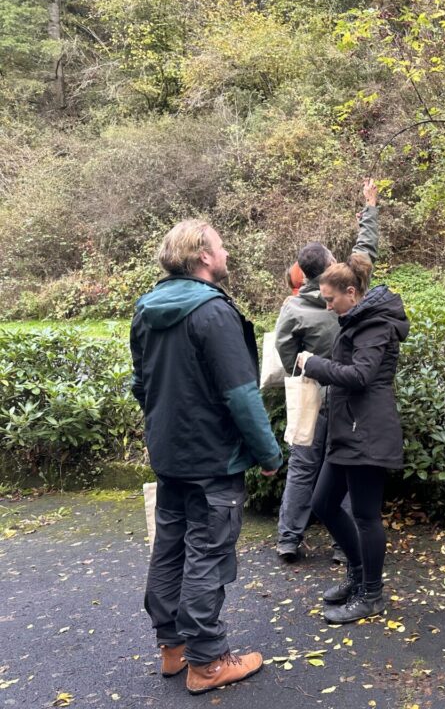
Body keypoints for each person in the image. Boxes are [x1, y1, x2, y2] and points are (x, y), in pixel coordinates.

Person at [130, 220, 283, 695]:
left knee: (170, 546)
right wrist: (268, 452)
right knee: (208, 554)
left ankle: (172, 648)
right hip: (213, 459)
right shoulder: (212, 312)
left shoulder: (145, 310)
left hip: (169, 454)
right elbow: (240, 394)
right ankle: (208, 662)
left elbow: (141, 385)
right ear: (202, 257)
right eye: (221, 246)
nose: (227, 252)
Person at [299, 254, 410, 623]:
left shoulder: (375, 325)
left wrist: (314, 365)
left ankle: (372, 595)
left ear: (351, 292)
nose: (328, 306)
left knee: (365, 516)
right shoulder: (356, 320)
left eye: (330, 299)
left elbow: (361, 375)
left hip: (368, 432)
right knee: (323, 503)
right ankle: (359, 575)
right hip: (348, 429)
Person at [273, 178, 380, 562]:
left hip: (313, 391)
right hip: (349, 393)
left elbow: (284, 347)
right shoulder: (351, 290)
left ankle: (289, 538)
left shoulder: (294, 307)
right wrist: (370, 209)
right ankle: (341, 543)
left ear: (301, 273)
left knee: (303, 464)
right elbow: (366, 249)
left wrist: (301, 370)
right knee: (346, 466)